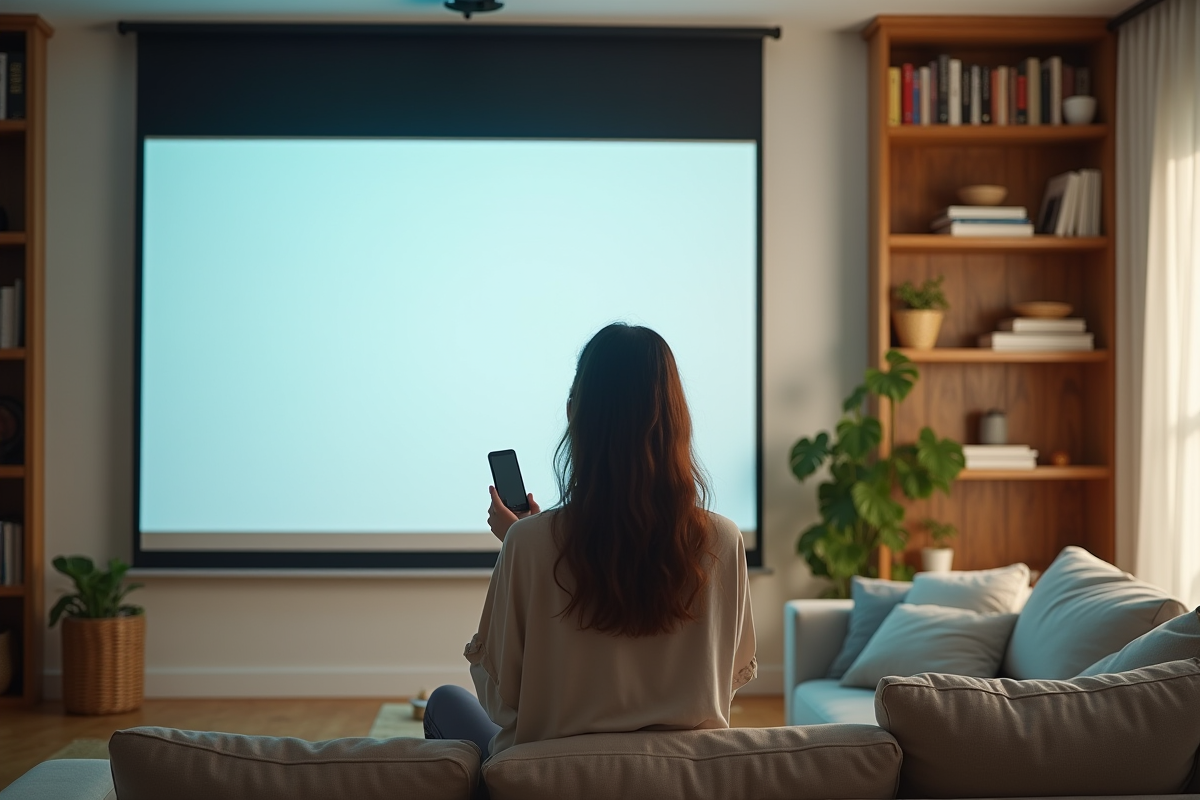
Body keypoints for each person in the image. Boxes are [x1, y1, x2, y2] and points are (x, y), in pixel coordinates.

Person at [423, 323, 756, 758]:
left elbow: (501, 699)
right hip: (682, 779)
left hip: (550, 779)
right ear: (678, 420)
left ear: (573, 414)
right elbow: (729, 675)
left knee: (445, 702)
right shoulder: (723, 540)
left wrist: (523, 544)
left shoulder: (527, 544)